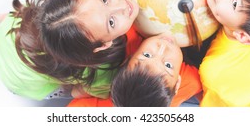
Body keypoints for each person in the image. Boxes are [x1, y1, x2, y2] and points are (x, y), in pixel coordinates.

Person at [0, 0, 139, 101]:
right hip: (17, 80)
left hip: (11, 31)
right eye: (111, 22)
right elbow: (77, 93)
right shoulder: (102, 72)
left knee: (30, 19)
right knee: (67, 89)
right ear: (103, 45)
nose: (122, 5)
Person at [67, 31, 202, 107]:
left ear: (128, 59)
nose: (162, 47)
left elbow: (76, 93)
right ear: (178, 83)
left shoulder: (125, 38)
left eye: (147, 55)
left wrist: (85, 88)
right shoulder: (191, 81)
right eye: (168, 65)